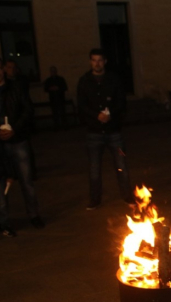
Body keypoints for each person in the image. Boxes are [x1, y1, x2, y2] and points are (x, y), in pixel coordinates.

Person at [0, 55, 45, 229]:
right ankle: (1, 218)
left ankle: (33, 214)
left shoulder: (16, 88)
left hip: (18, 140)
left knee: (26, 180)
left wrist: (14, 129)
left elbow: (27, 110)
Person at [77, 48, 134, 210]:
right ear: (90, 62)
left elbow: (121, 102)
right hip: (93, 132)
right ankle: (95, 199)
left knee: (121, 164)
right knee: (94, 168)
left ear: (105, 61)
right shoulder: (85, 81)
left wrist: (112, 115)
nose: (97, 63)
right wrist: (96, 116)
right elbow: (81, 105)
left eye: (100, 60)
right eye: (94, 60)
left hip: (113, 131)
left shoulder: (113, 79)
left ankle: (127, 196)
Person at [44, 66, 68, 130]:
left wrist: (58, 88)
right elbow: (45, 89)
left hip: (60, 99)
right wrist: (50, 89)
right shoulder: (48, 80)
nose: (53, 72)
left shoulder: (60, 79)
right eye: (52, 71)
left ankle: (64, 126)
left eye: (54, 71)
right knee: (55, 114)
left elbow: (65, 87)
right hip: (53, 99)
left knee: (62, 113)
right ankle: (57, 126)